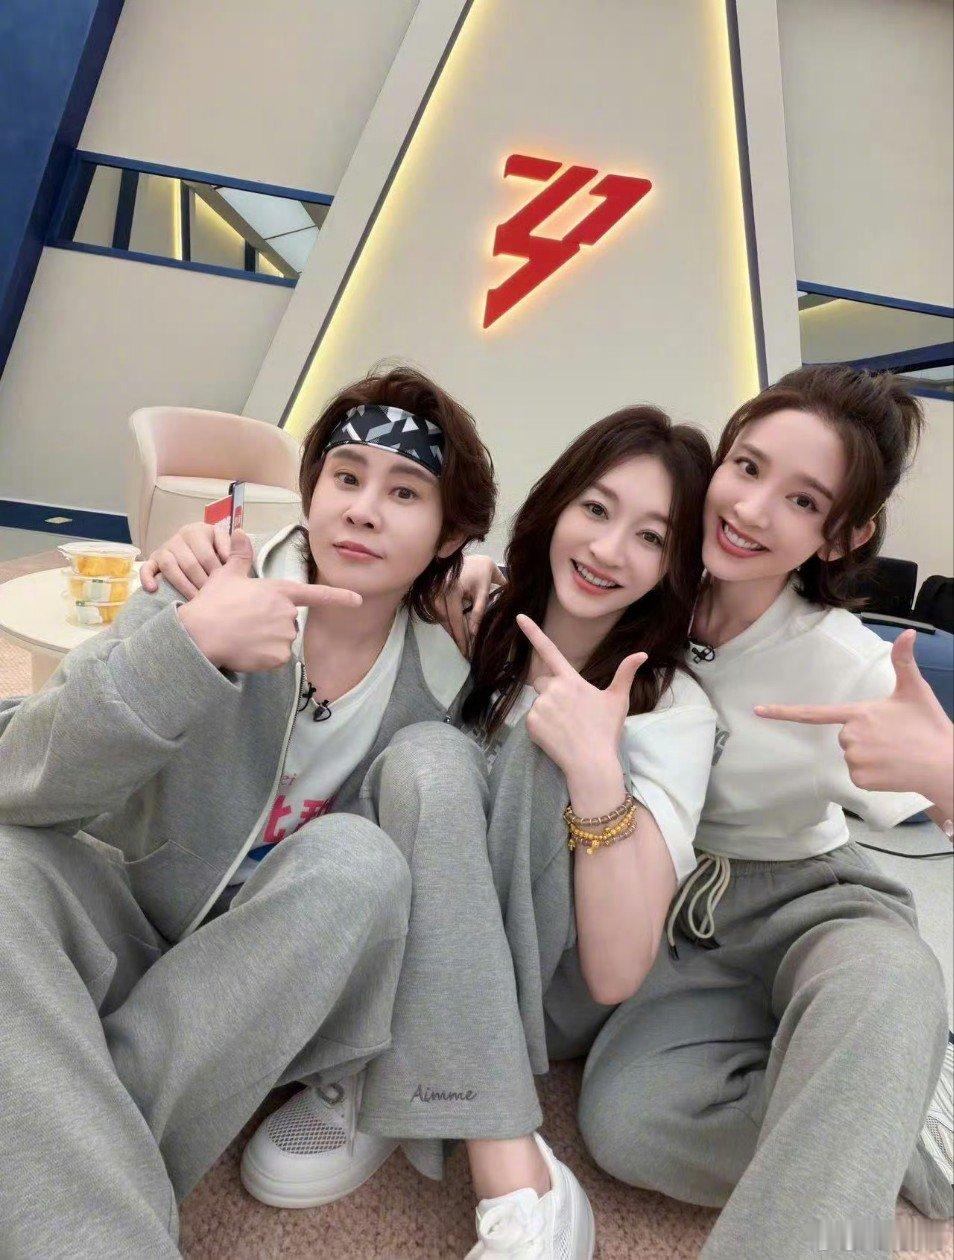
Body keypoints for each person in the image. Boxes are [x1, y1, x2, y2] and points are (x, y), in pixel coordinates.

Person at [0, 365, 554, 1260]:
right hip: (123, 921)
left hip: (265, 981)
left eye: (404, 492)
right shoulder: (207, 582)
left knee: (360, 862)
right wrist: (190, 646)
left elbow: (480, 873)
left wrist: (503, 641)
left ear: (451, 533)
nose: (362, 510)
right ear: (311, 490)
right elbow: (19, 779)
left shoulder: (450, 673)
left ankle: (46, 1125)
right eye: (346, 476)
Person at [142, 404, 718, 1259]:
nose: (607, 549)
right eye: (596, 509)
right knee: (423, 759)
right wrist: (198, 557)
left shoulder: (673, 709)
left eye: (650, 537)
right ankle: (401, 1062)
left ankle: (488, 1144)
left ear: (674, 564)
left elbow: (612, 972)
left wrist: (597, 771)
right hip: (418, 933)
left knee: (505, 755)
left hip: (544, 975)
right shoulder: (467, 619)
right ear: (556, 505)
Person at [436, 365, 953, 1257]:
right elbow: (581, 564)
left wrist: (945, 774)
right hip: (683, 919)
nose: (751, 509)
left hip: (810, 897)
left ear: (842, 536)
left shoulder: (849, 663)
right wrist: (484, 570)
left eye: (802, 500)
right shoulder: (660, 589)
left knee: (886, 980)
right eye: (746, 467)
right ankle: (876, 1110)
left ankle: (896, 1093)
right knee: (628, 1126)